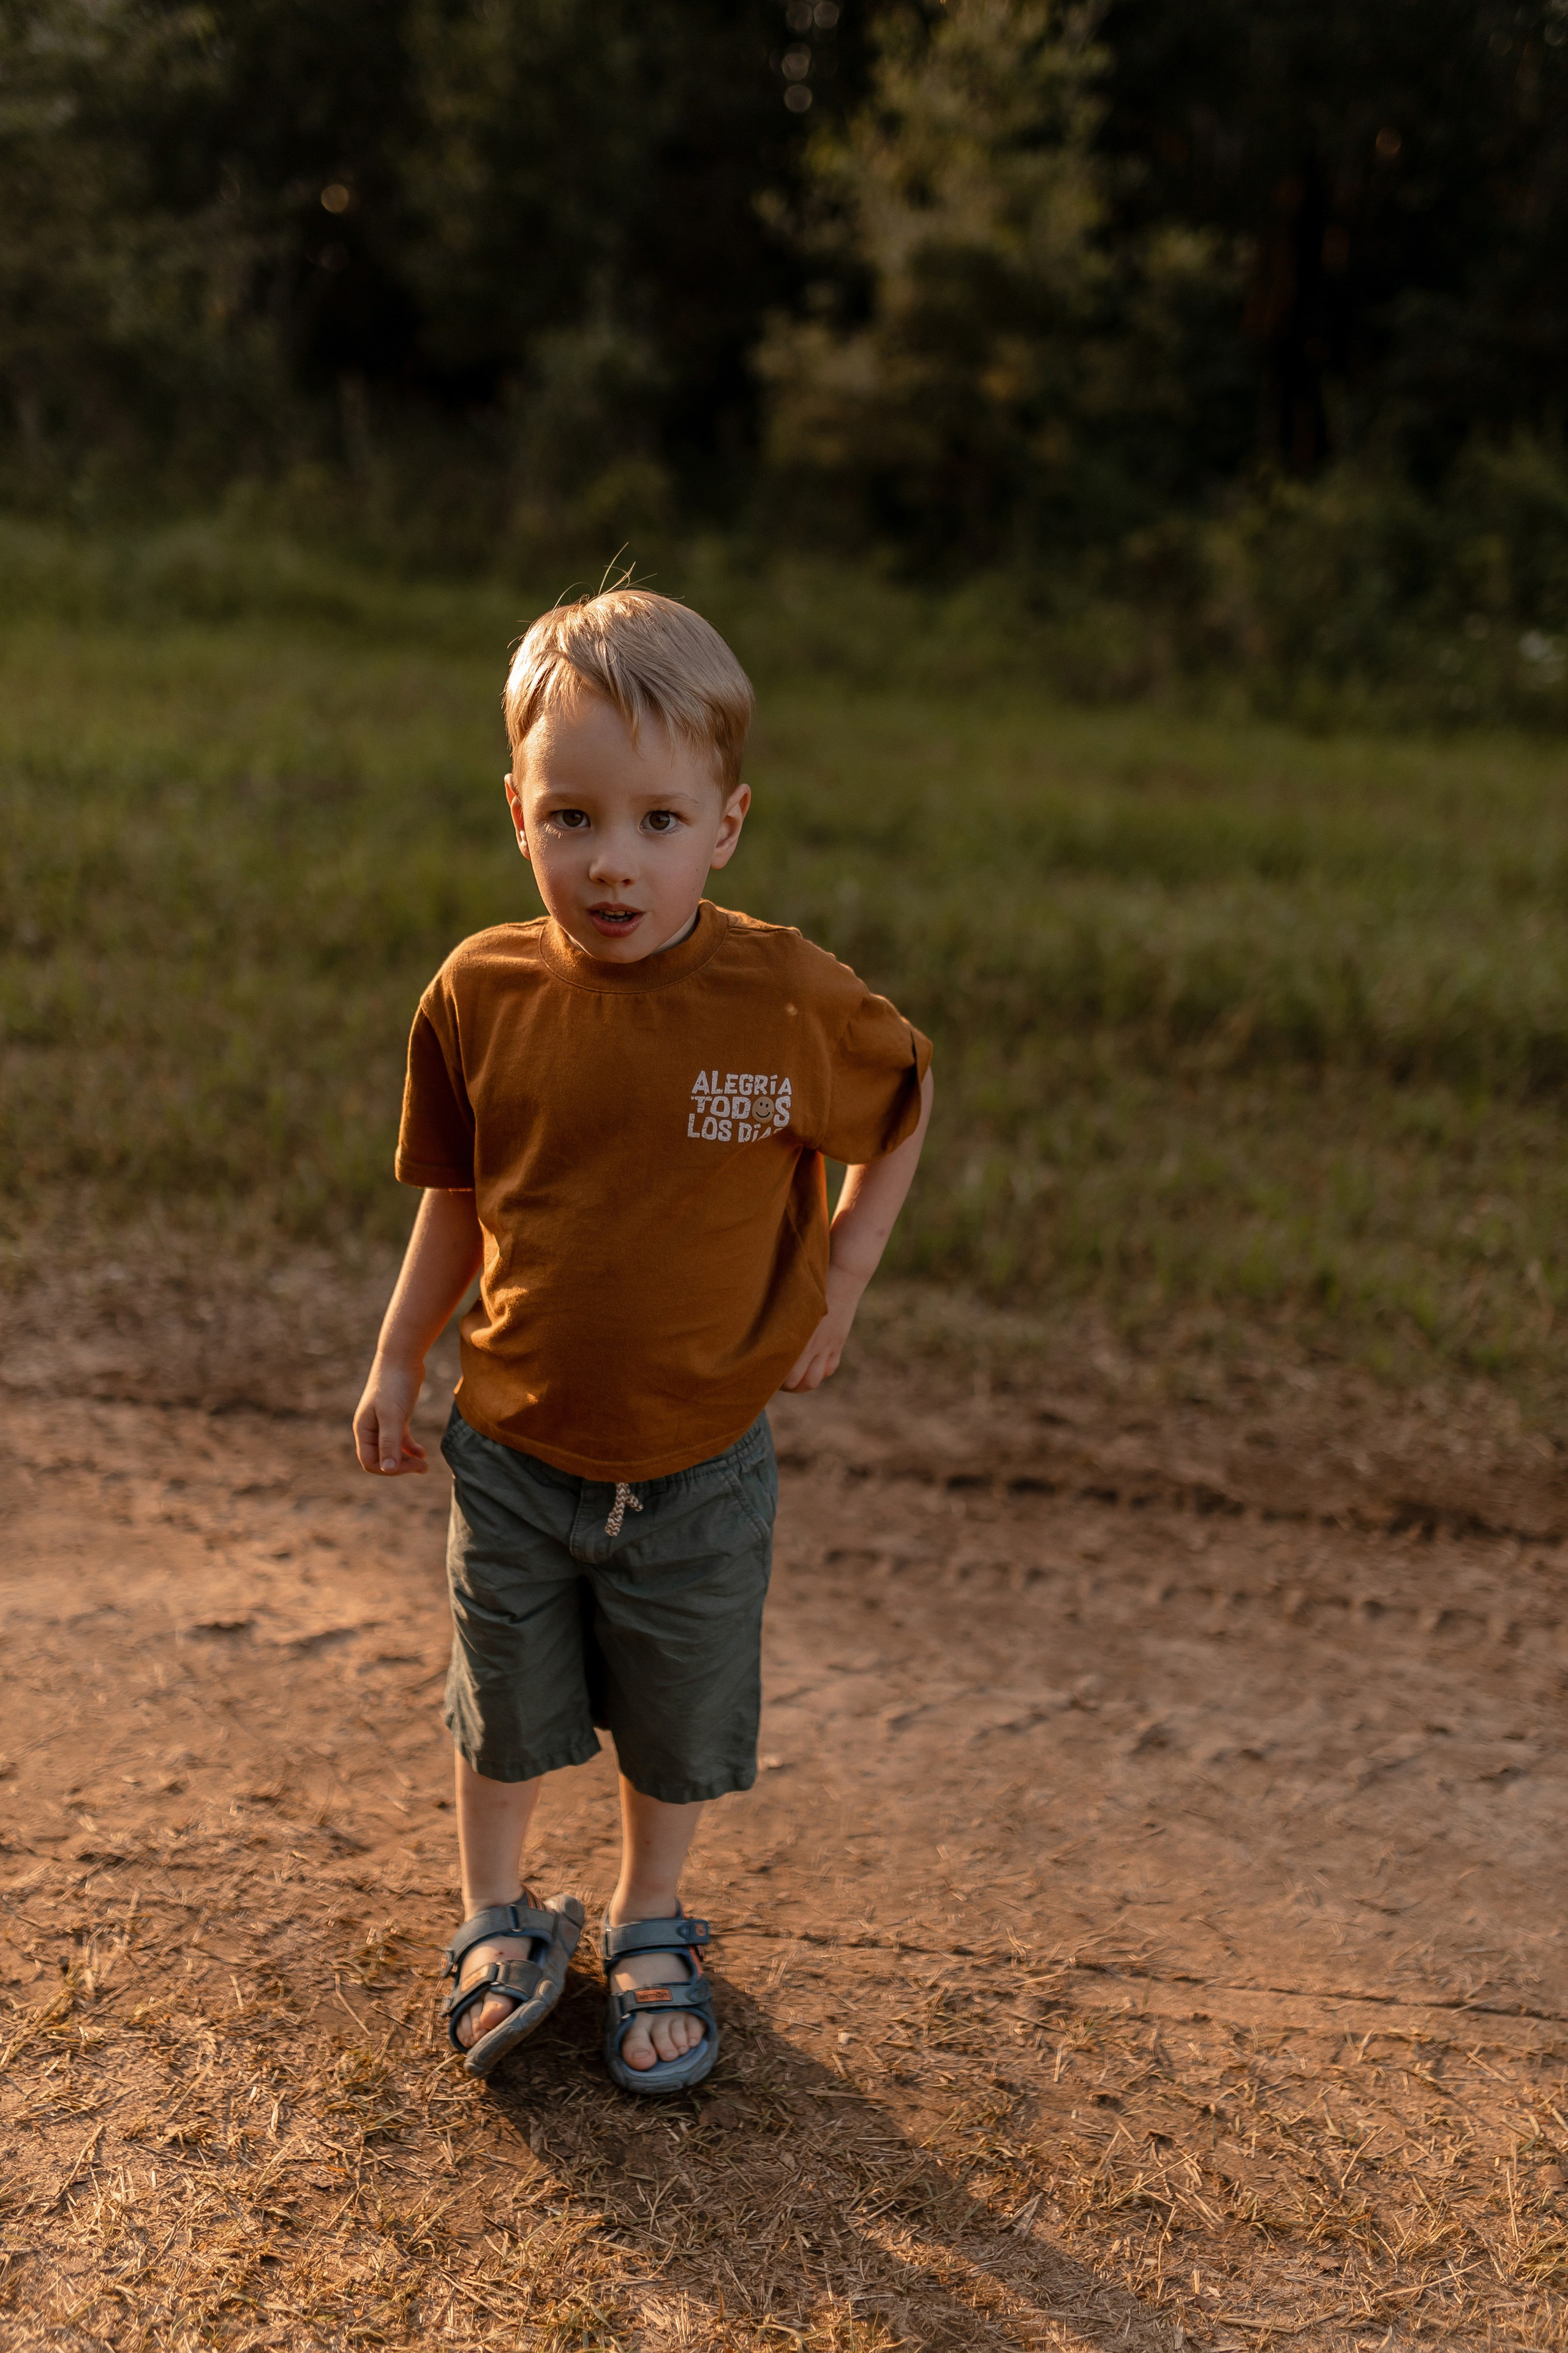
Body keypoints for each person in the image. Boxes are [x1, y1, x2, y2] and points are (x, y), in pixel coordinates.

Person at [352, 589, 932, 2093]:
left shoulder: (783, 996)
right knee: (505, 1700)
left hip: (697, 1460)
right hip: (515, 1444)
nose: (612, 860)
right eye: (570, 816)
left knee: (672, 1716)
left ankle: (649, 1912)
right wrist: (396, 1352)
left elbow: (904, 1098)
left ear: (725, 824)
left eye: (659, 819)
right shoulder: (480, 993)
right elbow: (454, 1198)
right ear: (517, 810)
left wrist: (845, 1276)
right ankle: (492, 1911)